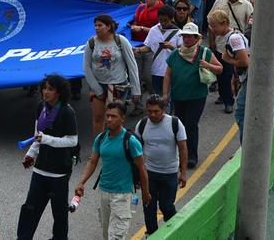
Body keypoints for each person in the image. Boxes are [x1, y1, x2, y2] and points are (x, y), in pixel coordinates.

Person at [75, 102, 150, 240]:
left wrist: (145, 192)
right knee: (106, 234)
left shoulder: (131, 141)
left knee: (115, 236)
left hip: (122, 195)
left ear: (122, 118)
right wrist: (82, 182)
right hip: (104, 192)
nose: (109, 119)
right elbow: (92, 161)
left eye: (113, 116)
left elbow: (141, 168)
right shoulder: (101, 138)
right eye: (107, 116)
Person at [17, 74, 79, 240]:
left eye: (50, 89)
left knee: (59, 214)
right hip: (40, 170)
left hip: (59, 173)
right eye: (44, 88)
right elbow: (38, 135)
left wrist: (48, 140)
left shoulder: (67, 112)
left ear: (59, 92)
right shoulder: (41, 107)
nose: (46, 92)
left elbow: (73, 141)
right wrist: (31, 154)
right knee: (29, 209)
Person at [162, 23, 222, 168]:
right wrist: (165, 94)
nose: (186, 39)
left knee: (191, 125)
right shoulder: (176, 53)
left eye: (189, 37)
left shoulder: (204, 52)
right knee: (179, 126)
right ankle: (179, 155)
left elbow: (220, 69)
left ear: (196, 38)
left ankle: (191, 156)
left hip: (197, 96)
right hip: (178, 96)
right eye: (184, 36)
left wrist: (208, 65)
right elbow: (168, 74)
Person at [83, 14, 141, 137]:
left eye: (100, 25)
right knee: (98, 117)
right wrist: (96, 89)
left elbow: (132, 65)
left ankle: (115, 147)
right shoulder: (91, 43)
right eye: (95, 25)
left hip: (118, 85)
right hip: (98, 85)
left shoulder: (120, 41)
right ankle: (98, 149)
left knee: (113, 119)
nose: (97, 28)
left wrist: (136, 90)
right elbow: (86, 67)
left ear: (108, 27)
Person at [138, 95, 188, 234]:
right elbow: (137, 152)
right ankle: (152, 234)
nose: (152, 115)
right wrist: (137, 176)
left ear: (164, 109)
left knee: (166, 206)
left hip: (169, 173)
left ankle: (173, 231)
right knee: (149, 207)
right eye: (149, 111)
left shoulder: (175, 124)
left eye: (156, 111)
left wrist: (183, 173)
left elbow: (183, 148)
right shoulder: (142, 125)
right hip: (149, 174)